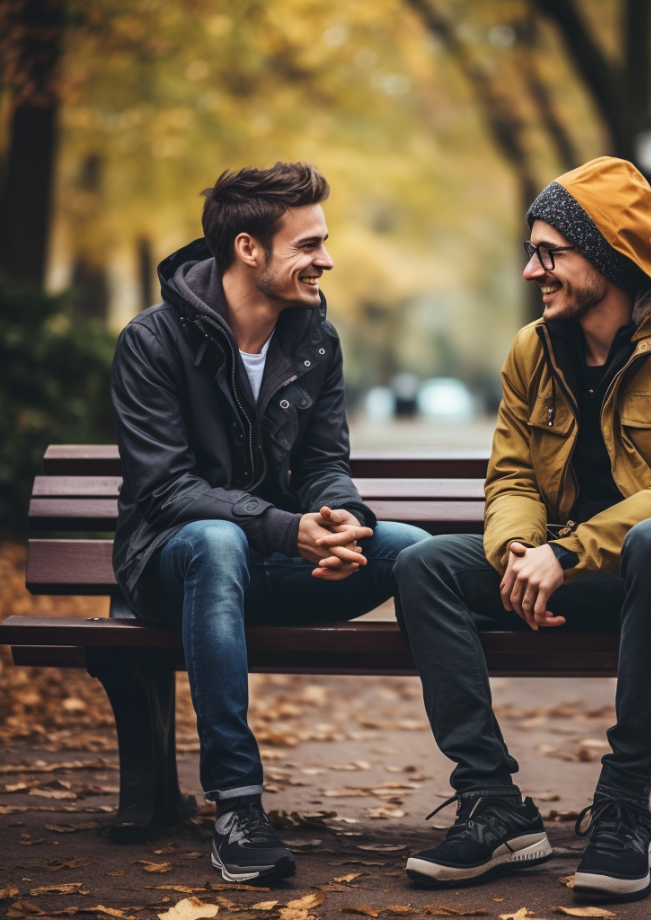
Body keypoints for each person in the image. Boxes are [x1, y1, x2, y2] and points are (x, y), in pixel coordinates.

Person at [395, 157, 651, 900]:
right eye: (531, 252)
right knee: (423, 564)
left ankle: (625, 806)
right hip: (585, 567)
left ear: (607, 254)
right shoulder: (532, 351)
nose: (532, 271)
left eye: (550, 254)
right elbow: (511, 477)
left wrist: (565, 552)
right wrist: (519, 551)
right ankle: (494, 804)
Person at [110, 162, 429, 884]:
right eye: (308, 244)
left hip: (275, 565)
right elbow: (167, 490)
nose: (327, 259)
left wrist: (342, 520)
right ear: (249, 249)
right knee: (216, 542)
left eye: (325, 241)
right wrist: (287, 531)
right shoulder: (153, 342)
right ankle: (238, 807)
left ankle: (484, 797)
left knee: (414, 550)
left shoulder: (315, 339)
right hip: (172, 566)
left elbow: (324, 462)